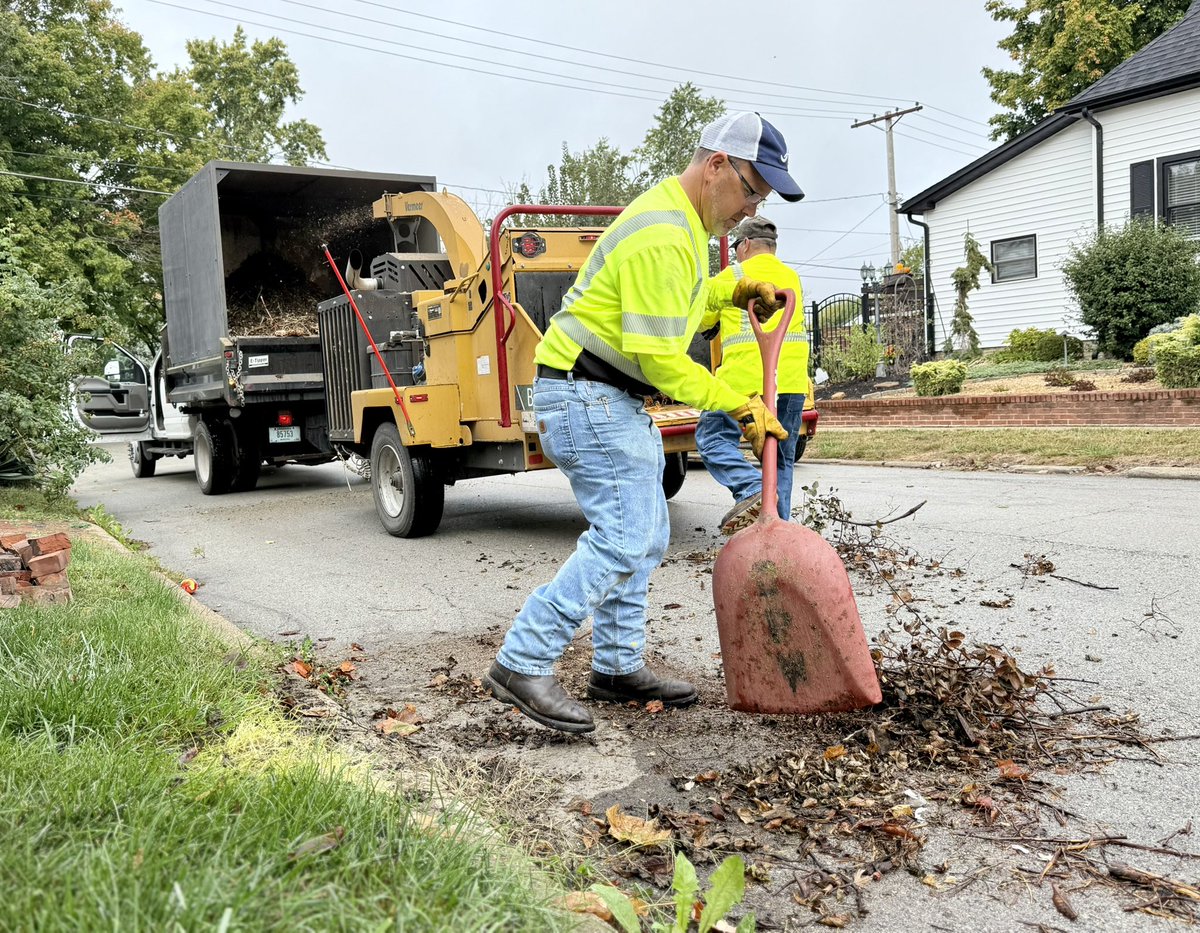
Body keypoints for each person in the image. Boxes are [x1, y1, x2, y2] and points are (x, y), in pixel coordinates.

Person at [486, 112, 805, 734]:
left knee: (647, 532)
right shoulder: (663, 233)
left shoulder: (682, 221)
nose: (750, 208)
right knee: (627, 535)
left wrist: (730, 294)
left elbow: (679, 305)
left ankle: (616, 667)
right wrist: (737, 406)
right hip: (586, 396)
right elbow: (659, 357)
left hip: (603, 396)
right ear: (716, 165)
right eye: (750, 190)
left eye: (762, 198)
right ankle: (523, 660)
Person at [695, 216, 809, 533]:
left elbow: (703, 321)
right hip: (790, 384)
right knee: (781, 460)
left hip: (742, 384)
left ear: (744, 245)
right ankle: (777, 537)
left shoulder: (733, 276)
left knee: (711, 438)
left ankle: (752, 489)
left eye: (736, 247)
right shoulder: (792, 277)